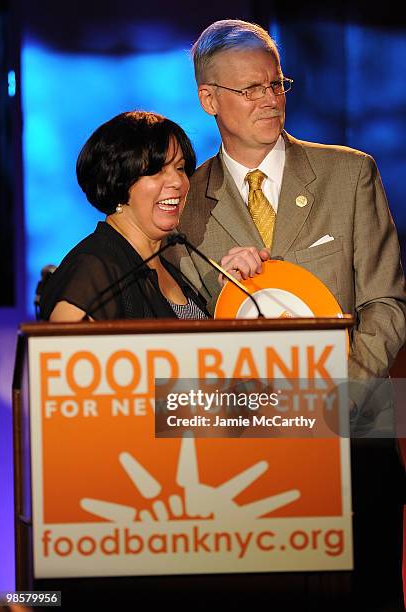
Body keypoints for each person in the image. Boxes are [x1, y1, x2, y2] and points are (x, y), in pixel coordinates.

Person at [170, 19, 406, 611]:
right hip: (245, 451)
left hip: (356, 427)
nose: (269, 100)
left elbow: (388, 301)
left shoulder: (350, 174)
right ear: (209, 100)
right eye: (249, 90)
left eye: (277, 84)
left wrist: (338, 396)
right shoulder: (183, 205)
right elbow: (182, 333)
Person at [39, 111, 209, 321]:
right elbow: (63, 351)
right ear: (119, 181)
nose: (177, 181)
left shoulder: (166, 263)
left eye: (180, 168)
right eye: (156, 171)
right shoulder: (92, 268)